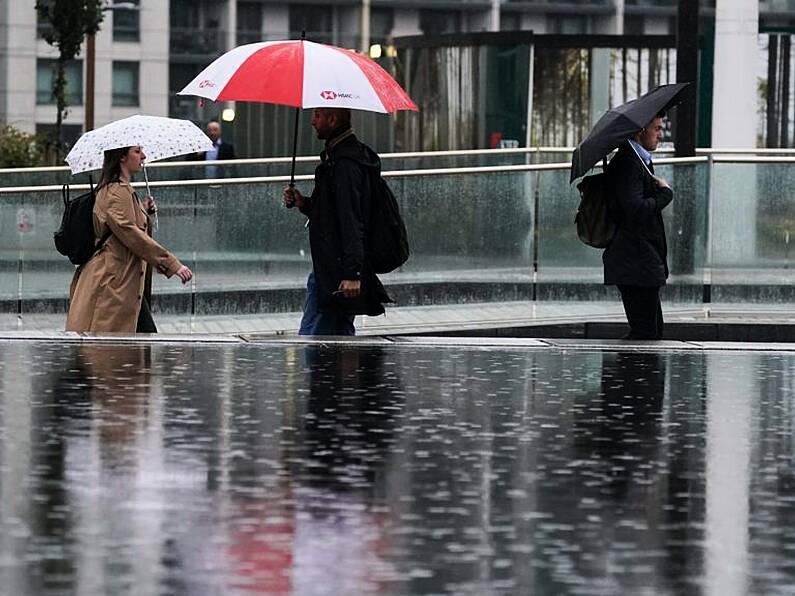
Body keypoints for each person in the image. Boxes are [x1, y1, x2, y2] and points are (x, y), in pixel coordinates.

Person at [282, 107, 392, 336]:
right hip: (335, 267)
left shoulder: (345, 165)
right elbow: (333, 214)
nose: (312, 121)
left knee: (314, 339)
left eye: (318, 116)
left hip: (335, 271)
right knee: (340, 342)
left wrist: (352, 274)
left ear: (333, 119)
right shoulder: (340, 158)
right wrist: (304, 203)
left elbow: (352, 219)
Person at [65, 145, 193, 333]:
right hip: (114, 282)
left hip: (125, 283)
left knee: (140, 343)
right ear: (122, 157)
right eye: (137, 151)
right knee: (111, 351)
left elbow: (126, 227)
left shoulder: (123, 190)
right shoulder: (116, 191)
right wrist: (172, 264)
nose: (144, 155)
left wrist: (143, 211)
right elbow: (130, 234)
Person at [603, 114, 673, 340]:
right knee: (645, 334)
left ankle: (635, 374)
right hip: (635, 261)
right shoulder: (628, 163)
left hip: (640, 261)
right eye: (657, 129)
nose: (660, 135)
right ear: (640, 130)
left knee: (651, 332)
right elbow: (637, 210)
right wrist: (665, 194)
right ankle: (627, 374)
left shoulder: (638, 161)